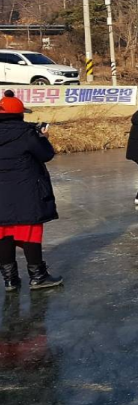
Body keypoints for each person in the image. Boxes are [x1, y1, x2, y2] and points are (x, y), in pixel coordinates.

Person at [0, 91, 63, 291]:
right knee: (29, 232)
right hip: (26, 191)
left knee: (3, 233)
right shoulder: (27, 133)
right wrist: (43, 138)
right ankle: (38, 276)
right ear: (20, 115)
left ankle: (9, 279)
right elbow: (46, 155)